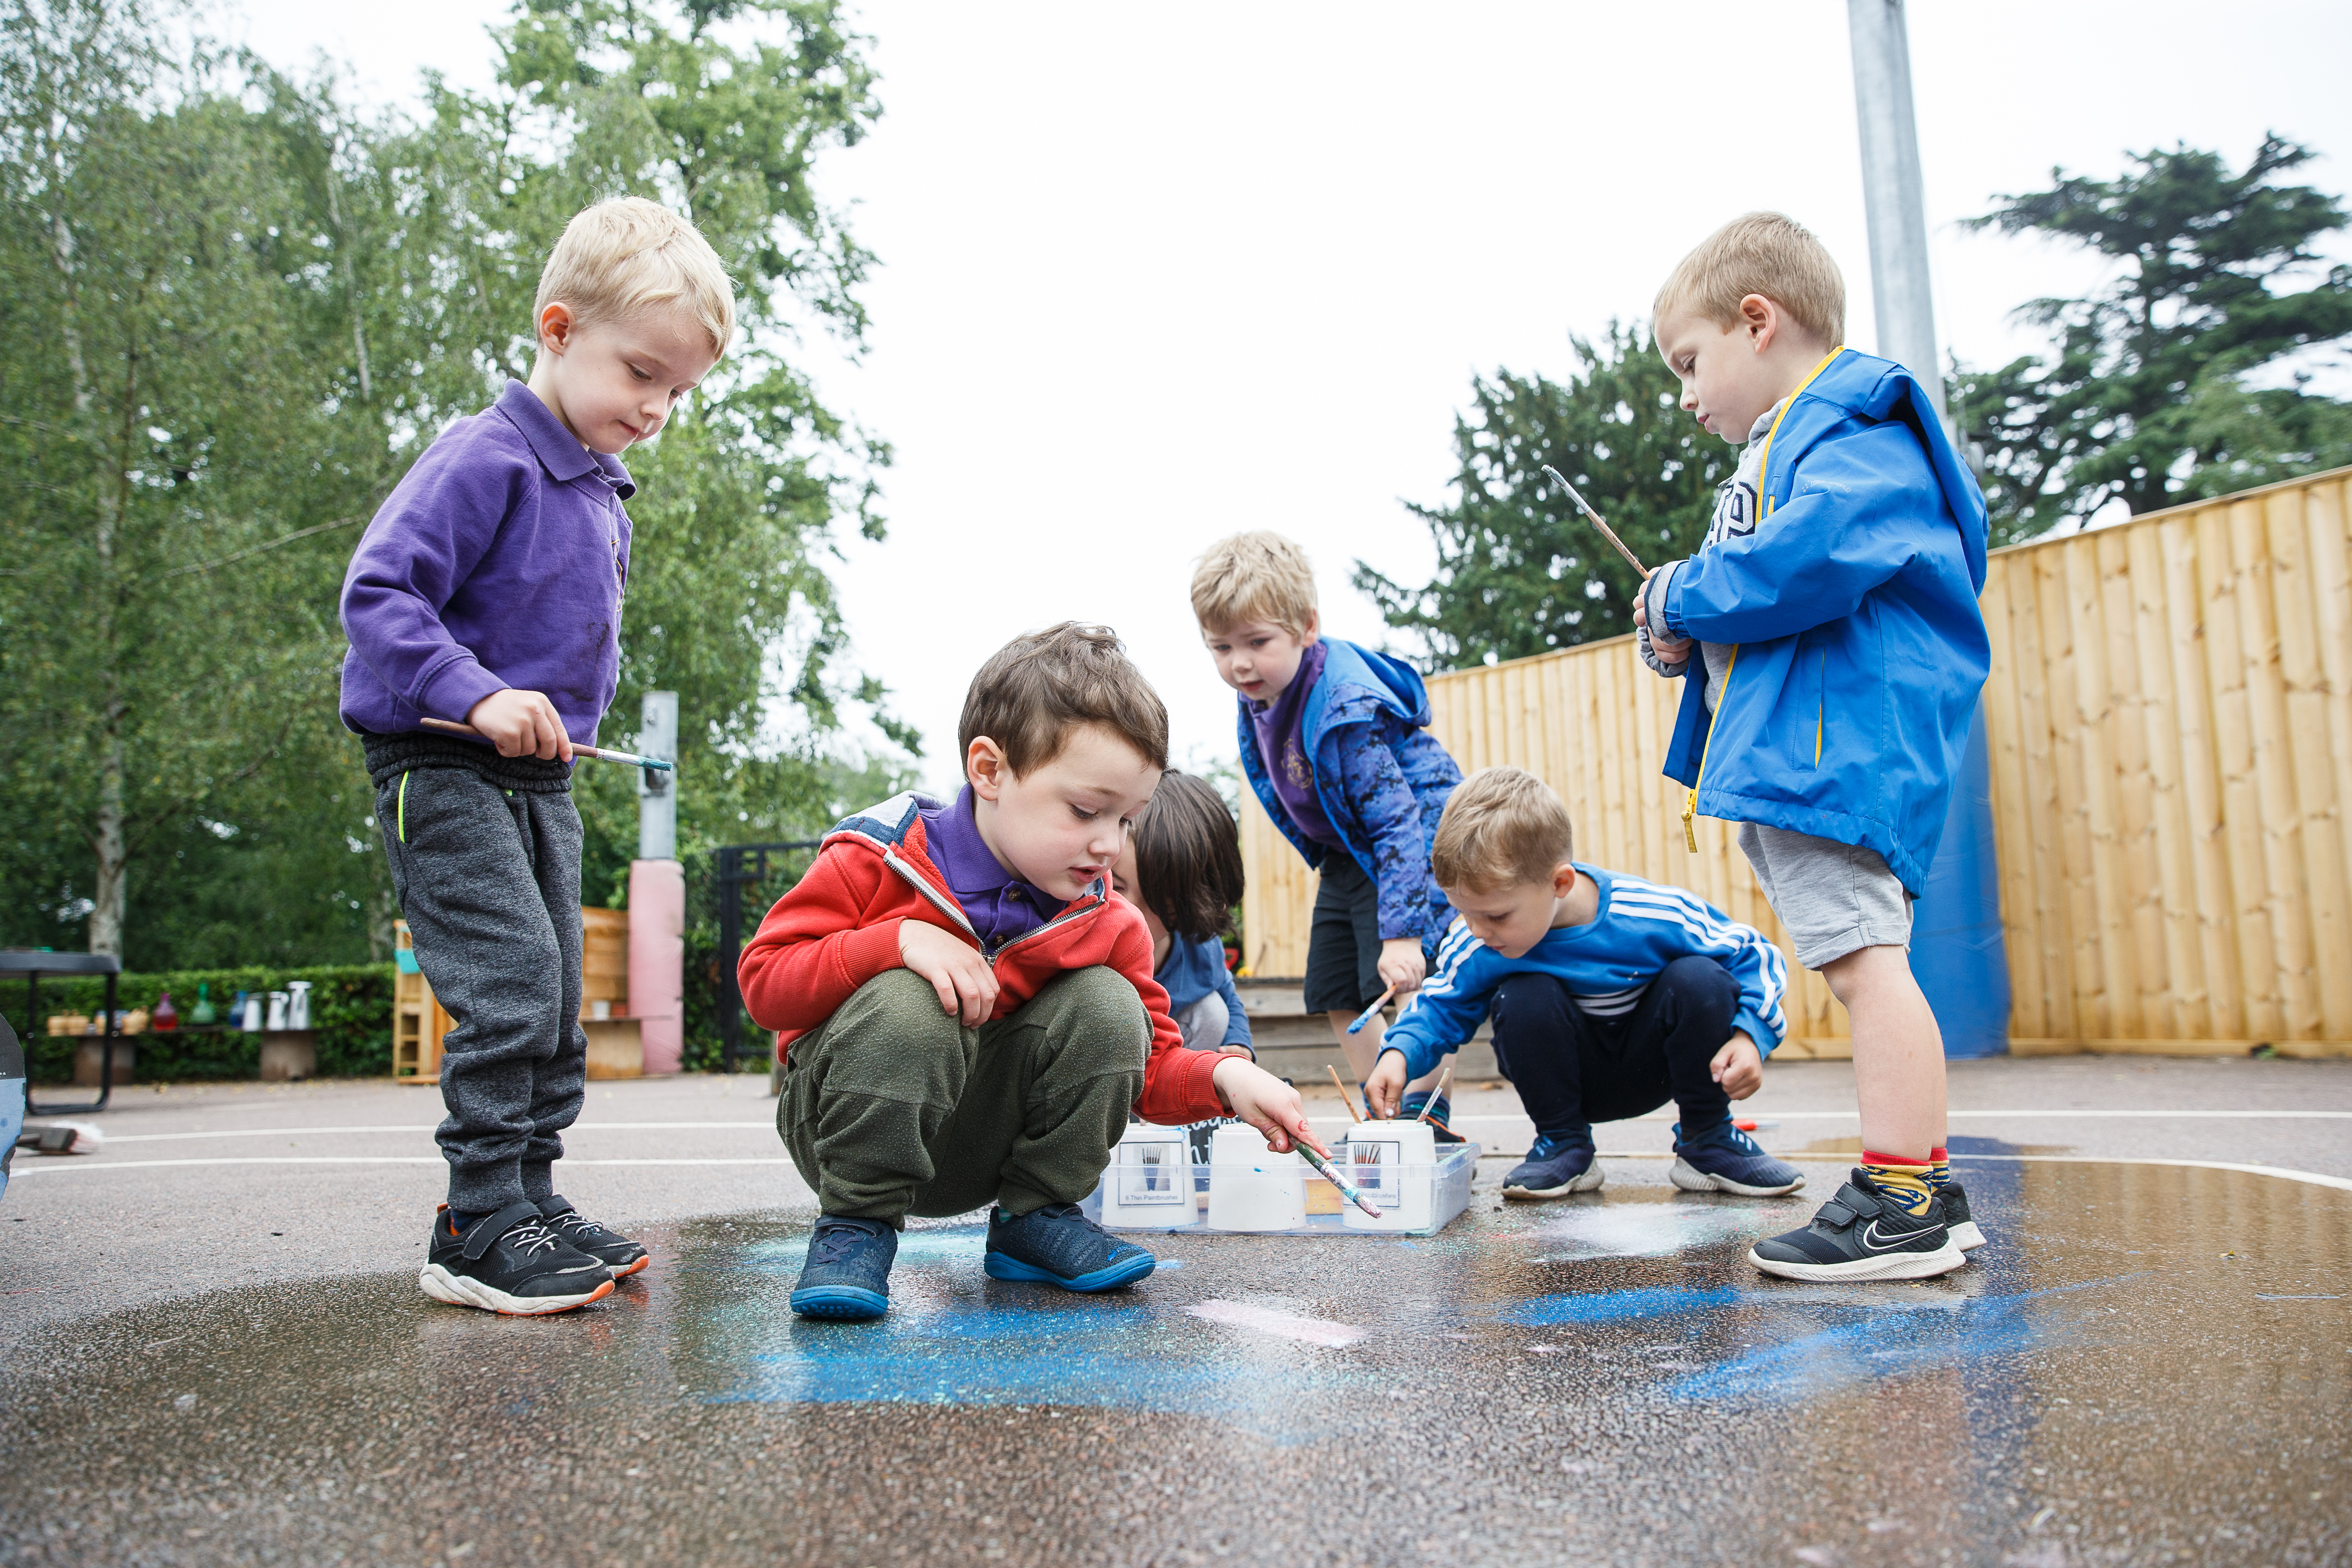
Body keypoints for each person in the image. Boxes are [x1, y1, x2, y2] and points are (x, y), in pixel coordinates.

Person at [339, 197, 733, 1314]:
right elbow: (378, 594)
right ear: (558, 329)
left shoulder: (599, 488)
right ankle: (473, 1224)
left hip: (538, 780)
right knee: (509, 992)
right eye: (641, 374)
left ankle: (528, 1196)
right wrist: (477, 692)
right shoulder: (487, 456)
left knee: (556, 1003)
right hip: (442, 765)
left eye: (678, 392)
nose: (656, 408)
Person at [736, 623, 1321, 1321]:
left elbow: (1152, 1065)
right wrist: (896, 940)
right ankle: (856, 1228)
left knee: (1109, 1004)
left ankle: (1035, 1219)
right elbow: (766, 983)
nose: (1108, 844)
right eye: (1084, 811)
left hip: (982, 1147)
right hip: (848, 1133)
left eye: (1127, 819)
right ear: (989, 771)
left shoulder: (1108, 921)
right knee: (909, 998)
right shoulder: (878, 856)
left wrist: (1225, 1076)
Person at [1632, 211, 1991, 1281]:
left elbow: (1807, 561)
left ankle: (1901, 1200)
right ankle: (1922, 1181)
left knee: (1865, 968)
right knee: (1865, 964)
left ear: (1758, 321)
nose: (1686, 395)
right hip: (1809, 751)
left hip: (1831, 757)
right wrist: (1683, 634)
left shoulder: (1847, 424)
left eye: (1689, 363)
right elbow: (1774, 591)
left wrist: (1680, 592)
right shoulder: (1806, 439)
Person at [1365, 768, 1803, 1200]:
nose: (1477, 930)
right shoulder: (1477, 942)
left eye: (1495, 915)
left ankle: (1708, 1139)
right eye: (1465, 912)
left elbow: (1753, 955)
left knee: (1700, 978)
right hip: (1568, 1081)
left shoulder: (1649, 914)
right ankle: (1562, 1143)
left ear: (1559, 882)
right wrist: (1398, 1054)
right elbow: (1438, 1008)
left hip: (1662, 1068)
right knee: (1523, 995)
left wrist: (1749, 1037)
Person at [1191, 531, 1466, 1129]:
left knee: (1398, 976)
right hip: (1346, 854)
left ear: (1306, 627)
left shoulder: (1343, 707)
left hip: (1407, 848)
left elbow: (1398, 821)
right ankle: (1383, 1106)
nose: (1239, 663)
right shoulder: (1258, 697)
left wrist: (1404, 932)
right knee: (1337, 988)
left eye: (1258, 642)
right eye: (1221, 647)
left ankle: (1424, 1108)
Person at [1109, 769, 1254, 1059]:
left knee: (1213, 1011)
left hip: (1159, 1068)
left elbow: (1225, 988)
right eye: (1119, 886)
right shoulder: (1082, 926)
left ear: (1190, 906)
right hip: (1092, 1071)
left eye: (1156, 902)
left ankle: (1188, 1102)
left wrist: (1239, 1043)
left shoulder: (1199, 949)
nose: (1131, 913)